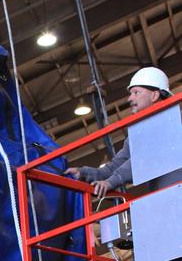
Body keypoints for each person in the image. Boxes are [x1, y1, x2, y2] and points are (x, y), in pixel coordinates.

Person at [66, 67, 171, 200]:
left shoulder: (173, 123)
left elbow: (146, 157)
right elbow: (115, 166)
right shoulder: (138, 135)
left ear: (155, 95)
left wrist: (112, 182)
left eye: (136, 92)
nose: (129, 98)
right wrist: (83, 173)